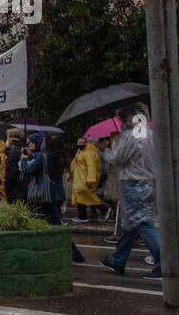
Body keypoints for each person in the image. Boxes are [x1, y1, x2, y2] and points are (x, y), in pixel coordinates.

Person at [100, 106, 161, 278]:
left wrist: (105, 149)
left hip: (133, 183)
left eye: (123, 120)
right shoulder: (149, 133)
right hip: (147, 182)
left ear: (128, 119)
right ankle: (118, 260)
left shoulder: (131, 135)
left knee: (143, 224)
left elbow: (118, 158)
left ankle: (163, 263)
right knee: (131, 224)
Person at [20, 133, 85, 263]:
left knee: (56, 225)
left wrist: (23, 159)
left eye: (45, 141)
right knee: (45, 225)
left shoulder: (43, 157)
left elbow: (28, 170)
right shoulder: (59, 157)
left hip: (44, 197)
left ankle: (75, 254)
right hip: (56, 194)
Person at [69, 137, 104, 220]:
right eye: (79, 142)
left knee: (87, 196)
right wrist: (70, 172)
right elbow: (75, 162)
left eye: (82, 142)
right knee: (81, 197)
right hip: (79, 179)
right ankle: (82, 216)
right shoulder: (80, 151)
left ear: (86, 143)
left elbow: (91, 167)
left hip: (84, 179)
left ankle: (104, 209)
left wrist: (90, 179)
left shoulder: (89, 153)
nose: (80, 144)